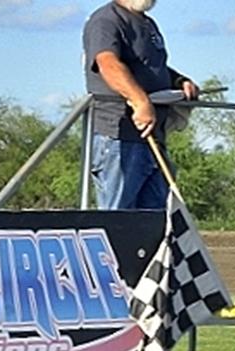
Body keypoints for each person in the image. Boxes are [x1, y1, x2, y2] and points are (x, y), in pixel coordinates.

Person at [82, 0, 200, 210]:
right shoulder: (106, 20)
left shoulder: (149, 24)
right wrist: (139, 100)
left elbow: (151, 67)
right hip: (120, 137)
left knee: (155, 221)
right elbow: (108, 64)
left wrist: (179, 81)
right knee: (118, 220)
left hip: (153, 137)